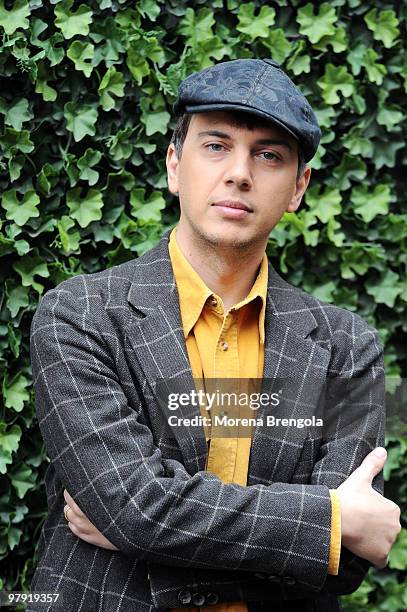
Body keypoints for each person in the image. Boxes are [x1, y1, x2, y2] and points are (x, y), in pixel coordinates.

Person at [29, 58, 400, 612]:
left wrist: (147, 532)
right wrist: (322, 523)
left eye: (269, 155)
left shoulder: (348, 347)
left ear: (299, 188)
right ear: (175, 165)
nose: (240, 173)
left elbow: (347, 561)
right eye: (216, 146)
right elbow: (135, 506)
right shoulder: (78, 316)